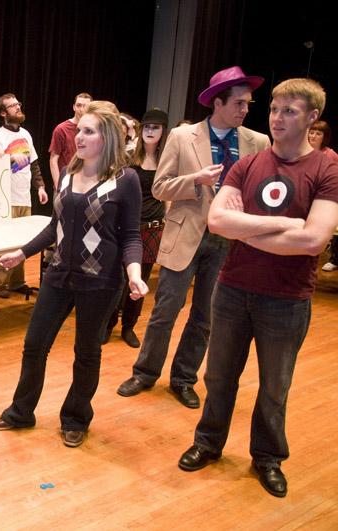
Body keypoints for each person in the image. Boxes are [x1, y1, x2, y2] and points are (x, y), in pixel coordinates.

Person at [178, 78, 338, 498]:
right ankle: (208, 443)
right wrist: (283, 224)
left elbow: (314, 240)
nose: (277, 118)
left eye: (289, 111)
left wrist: (244, 230)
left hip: (286, 300)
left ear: (312, 117)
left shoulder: (327, 168)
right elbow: (217, 222)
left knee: (274, 387)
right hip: (232, 291)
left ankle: (267, 458)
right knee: (219, 377)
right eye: (273, 110)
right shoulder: (247, 165)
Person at [0, 103, 147, 448]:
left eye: (89, 131)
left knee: (86, 352)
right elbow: (55, 226)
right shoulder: (70, 173)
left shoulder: (125, 179)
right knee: (34, 345)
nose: (79, 137)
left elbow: (131, 235)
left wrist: (134, 273)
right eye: (80, 130)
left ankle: (75, 418)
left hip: (101, 282)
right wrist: (22, 252)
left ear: (108, 138)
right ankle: (21, 412)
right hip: (58, 275)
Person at [117, 66, 270, 408]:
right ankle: (144, 372)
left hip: (228, 242)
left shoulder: (258, 143)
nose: (246, 110)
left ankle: (184, 378)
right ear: (218, 102)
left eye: (248, 103)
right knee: (165, 311)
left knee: (206, 317)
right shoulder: (183, 138)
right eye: (239, 103)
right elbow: (159, 186)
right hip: (185, 235)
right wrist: (196, 179)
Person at [104, 108, 169, 347]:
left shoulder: (167, 160)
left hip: (153, 227)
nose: (151, 131)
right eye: (148, 126)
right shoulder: (129, 156)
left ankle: (128, 327)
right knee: (118, 279)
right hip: (126, 226)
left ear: (164, 131)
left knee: (140, 281)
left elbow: (169, 195)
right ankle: (108, 325)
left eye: (156, 127)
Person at [0, 93, 49, 298]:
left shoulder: (26, 134)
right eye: (13, 106)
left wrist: (40, 187)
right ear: (3, 113)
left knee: (23, 242)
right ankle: (0, 284)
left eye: (18, 104)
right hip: (7, 198)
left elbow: (34, 163)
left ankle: (17, 282)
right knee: (6, 242)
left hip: (25, 196)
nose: (18, 108)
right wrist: (8, 158)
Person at [309, 120, 338, 271]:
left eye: (318, 133)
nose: (313, 136)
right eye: (311, 132)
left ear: (324, 137)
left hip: (323, 198)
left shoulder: (330, 154)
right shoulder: (301, 150)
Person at [48, 92, 92, 189]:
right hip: (66, 183)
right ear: (74, 107)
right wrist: (59, 185)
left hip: (86, 184)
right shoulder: (62, 129)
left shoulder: (93, 130)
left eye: (85, 106)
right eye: (78, 105)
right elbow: (53, 159)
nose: (81, 109)